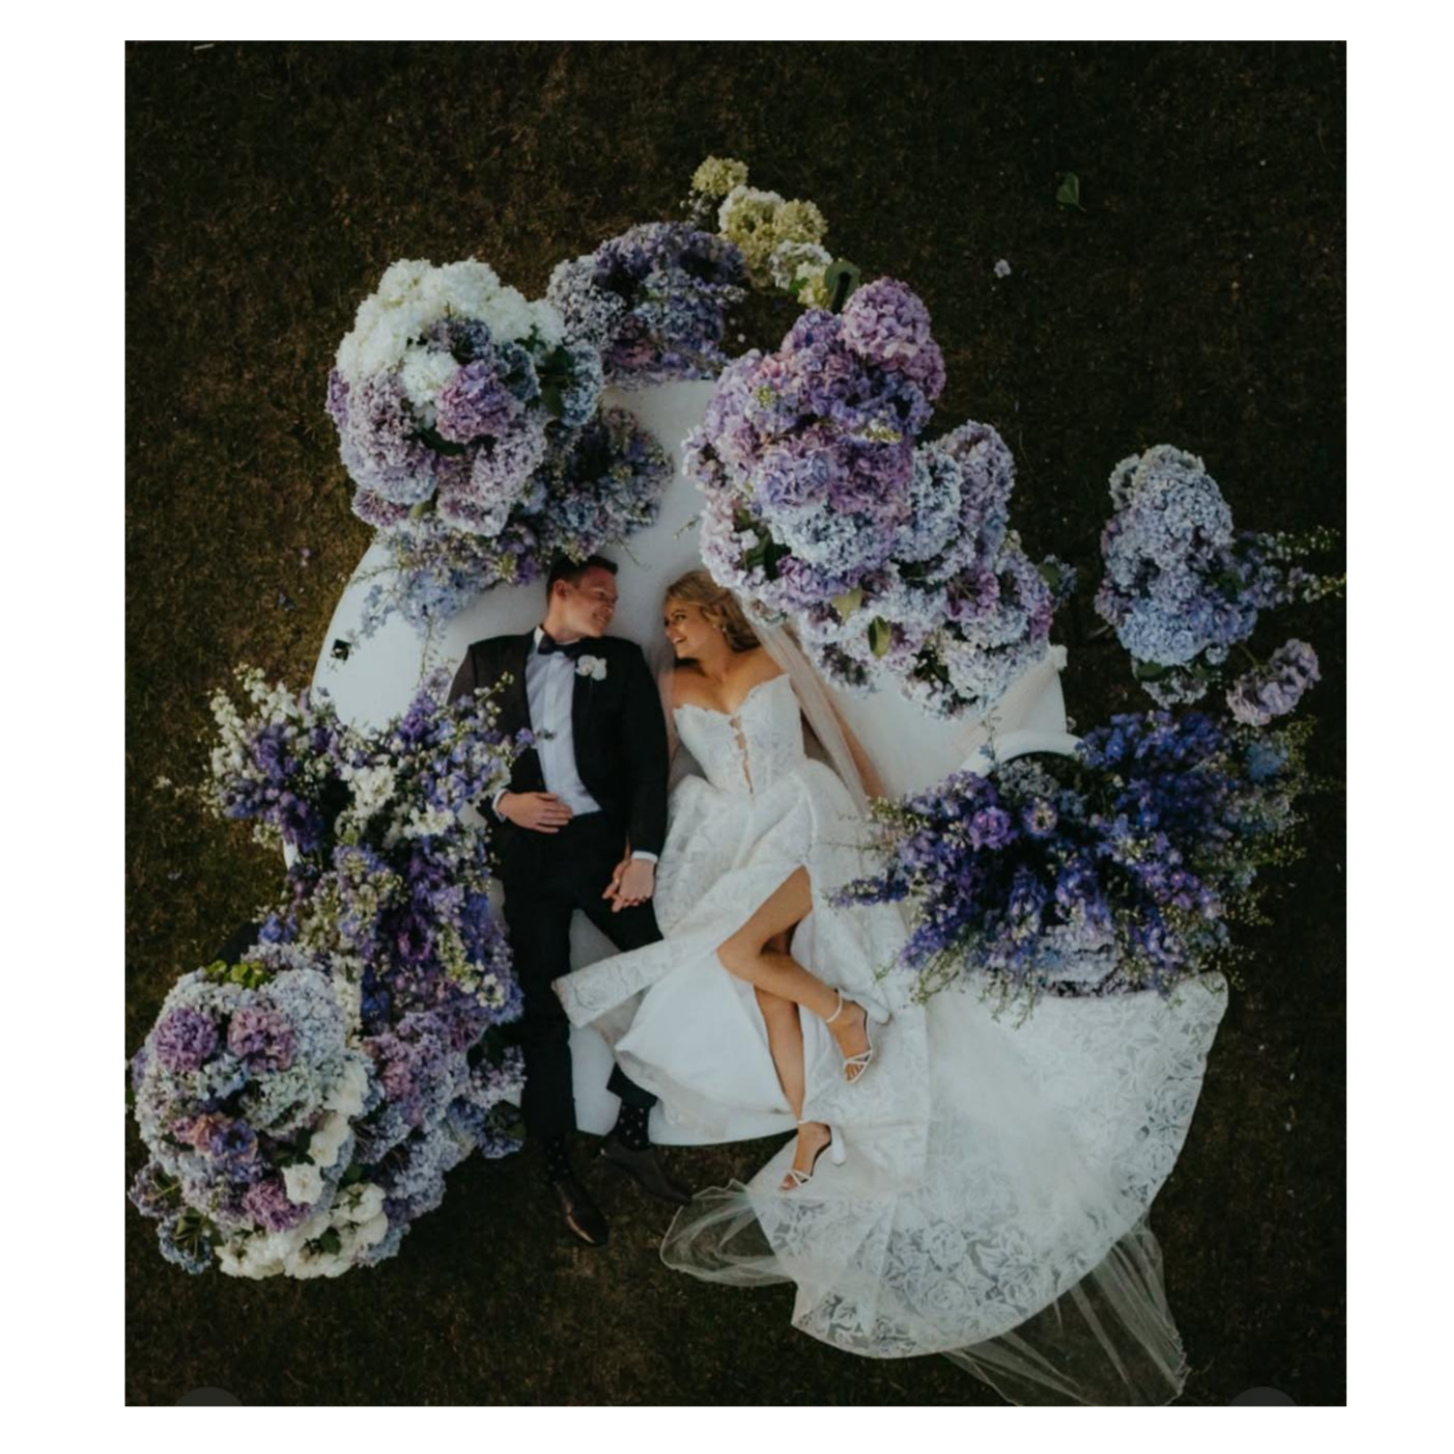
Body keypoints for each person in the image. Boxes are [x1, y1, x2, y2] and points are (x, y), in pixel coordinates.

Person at [555, 570, 1228, 1403]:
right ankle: (814, 1125)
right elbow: (653, 774)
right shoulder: (674, 682)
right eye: (667, 624)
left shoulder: (773, 654)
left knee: (739, 953)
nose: (672, 632)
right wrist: (638, 846)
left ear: (713, 611)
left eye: (679, 618)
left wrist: (880, 825)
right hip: (729, 837)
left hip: (808, 816)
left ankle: (848, 1018)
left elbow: (836, 738)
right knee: (767, 984)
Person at [449, 555, 690, 1250]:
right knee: (538, 1008)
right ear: (559, 591)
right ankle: (558, 1166)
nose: (610, 607)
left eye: (614, 599)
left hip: (605, 858)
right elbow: (443, 757)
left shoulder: (619, 662)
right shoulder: (487, 659)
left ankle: (632, 1128)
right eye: (598, 595)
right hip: (526, 864)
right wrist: (502, 802)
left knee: (670, 971)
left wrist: (642, 856)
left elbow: (650, 766)